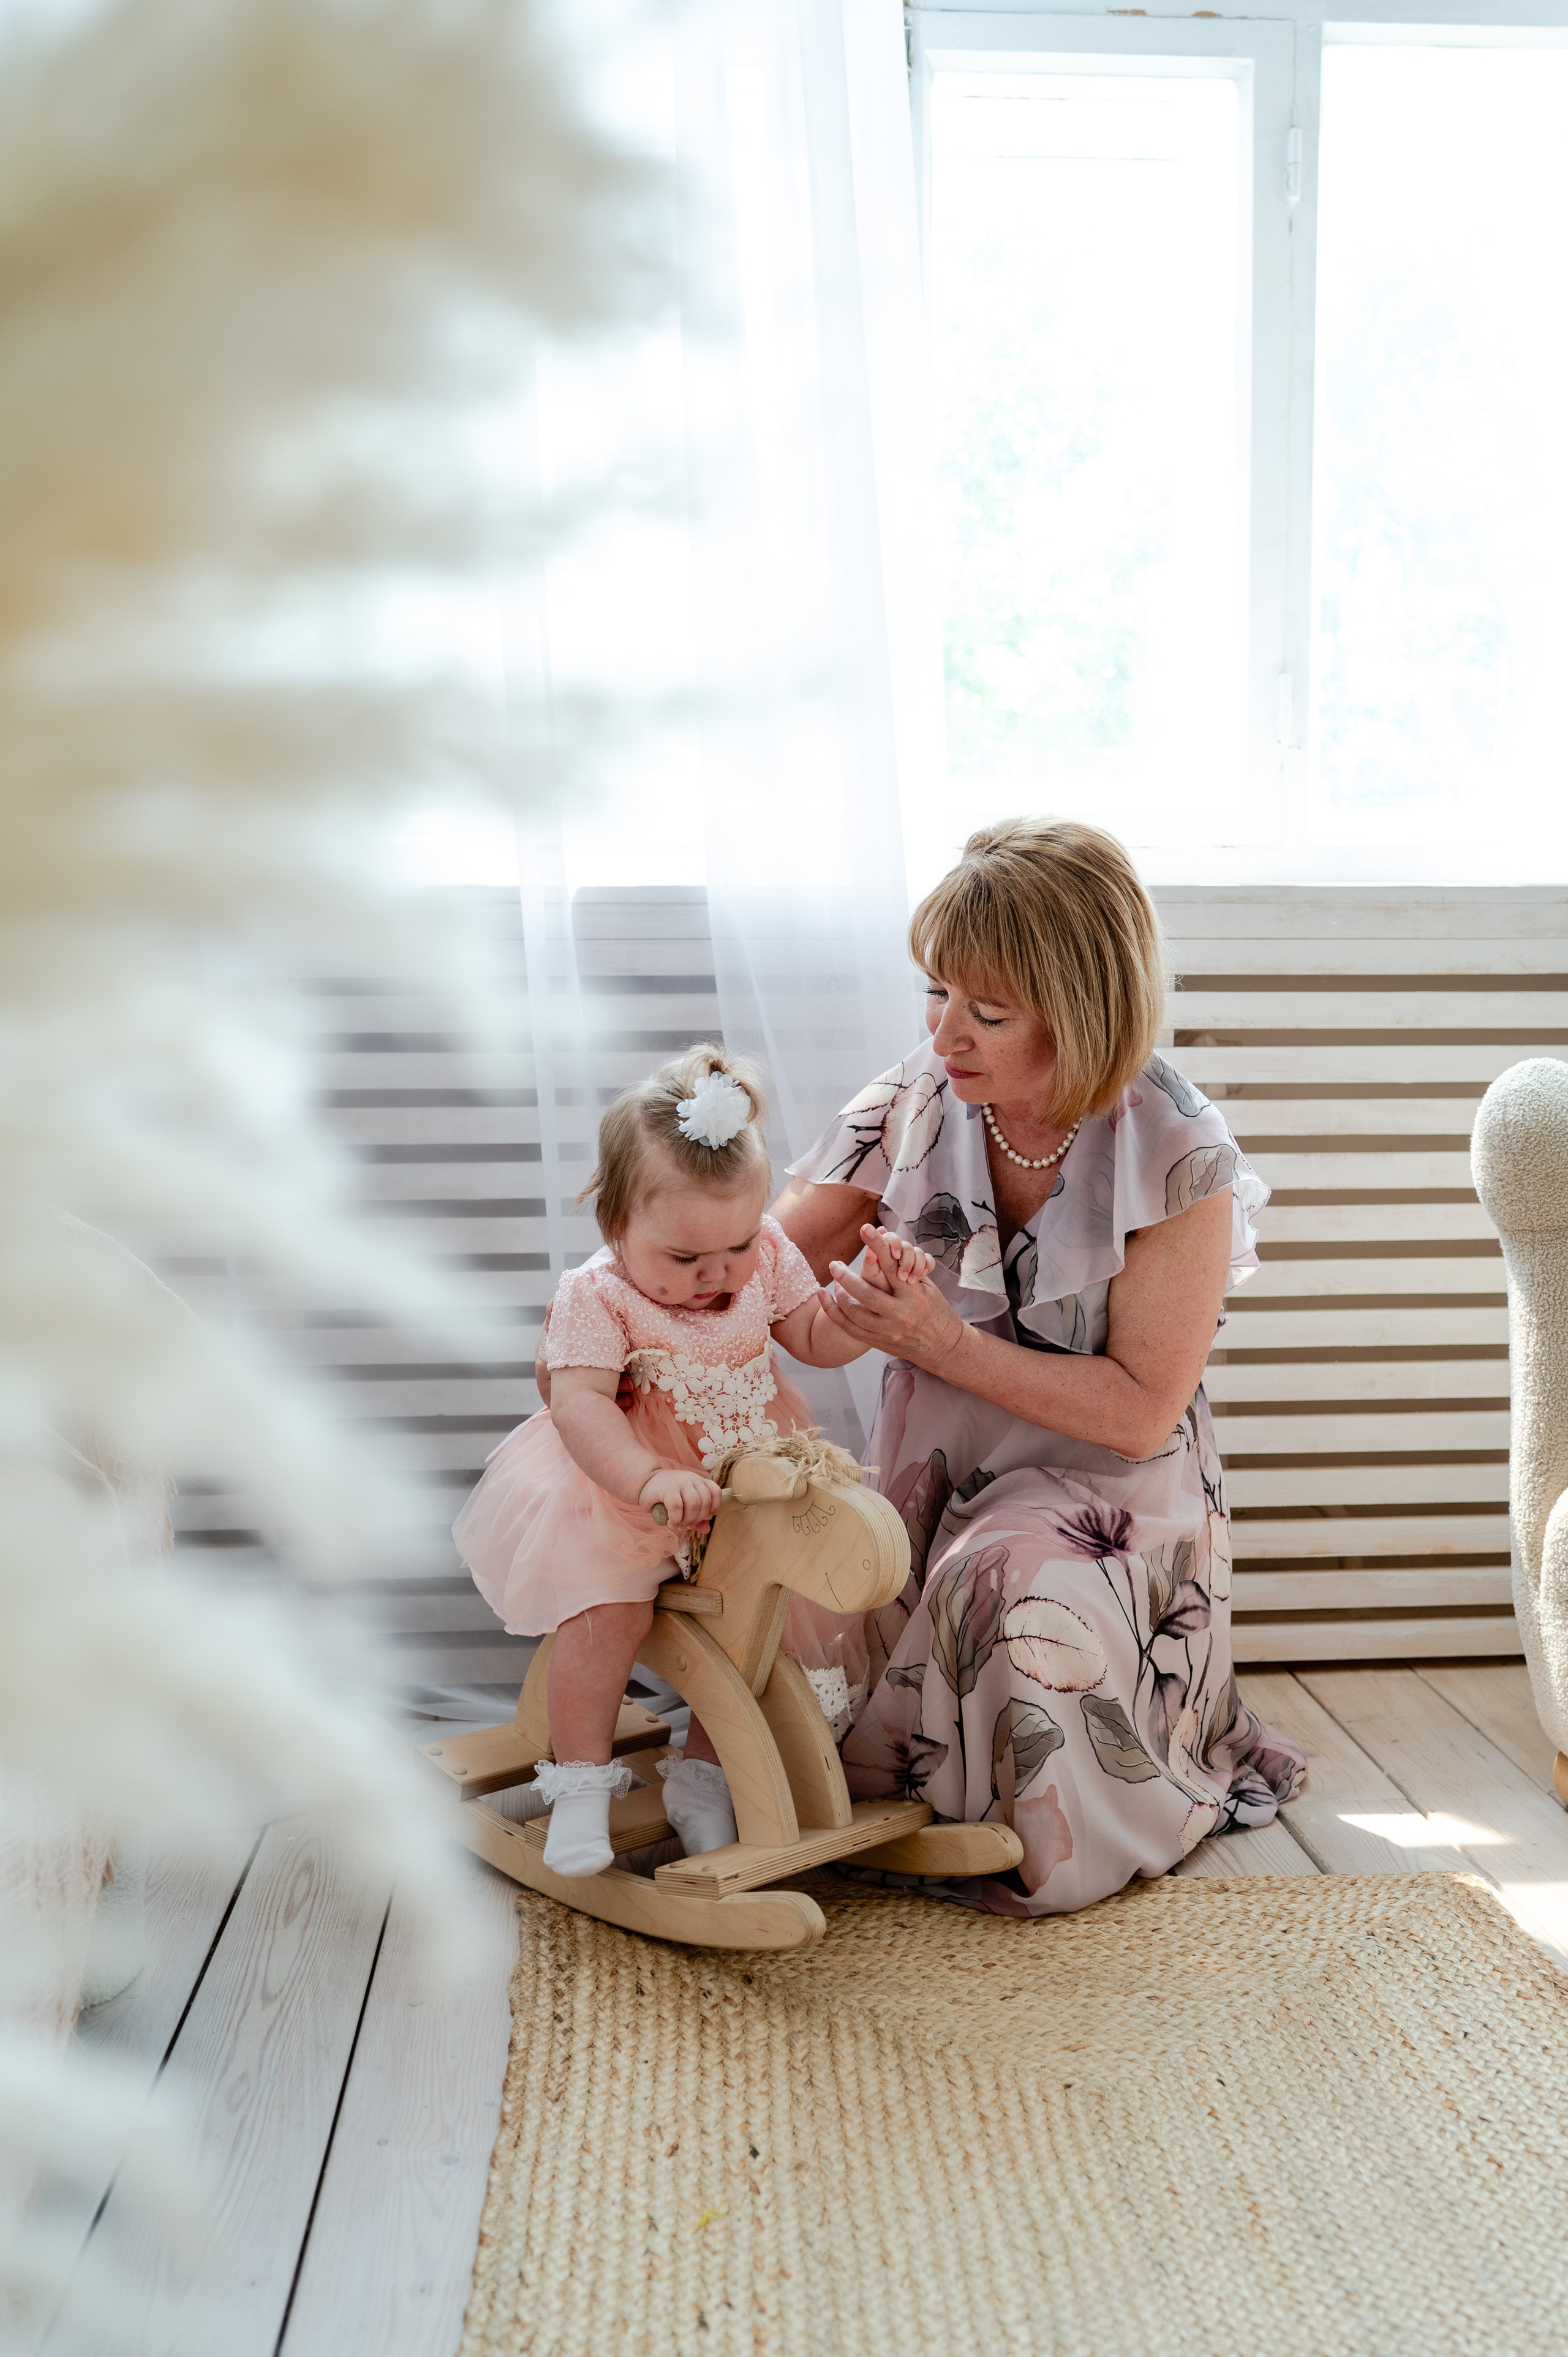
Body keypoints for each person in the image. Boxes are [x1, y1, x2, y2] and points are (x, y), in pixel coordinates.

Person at [769, 817, 1306, 1914]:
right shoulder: (919, 1095)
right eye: (936, 993)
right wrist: (625, 1297)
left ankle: (1038, 1832)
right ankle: (843, 1804)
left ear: (1078, 1009)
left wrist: (943, 1343)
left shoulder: (1176, 1148)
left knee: (1003, 1583)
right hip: (933, 1484)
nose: (945, 1032)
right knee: (789, 1575)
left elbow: (1139, 1411)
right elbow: (769, 1264)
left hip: (1112, 1499)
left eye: (988, 1010)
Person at [454, 1043, 932, 1879]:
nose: (719, 1276)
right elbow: (580, 1404)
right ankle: (577, 1786)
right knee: (607, 1614)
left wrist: (866, 1308)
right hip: (624, 1486)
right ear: (616, 1224)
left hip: (750, 1479)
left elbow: (812, 1337)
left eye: (738, 1246)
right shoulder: (597, 1295)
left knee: (760, 1615)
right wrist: (647, 1478)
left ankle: (706, 1777)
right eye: (684, 1259)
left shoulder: (770, 1255)